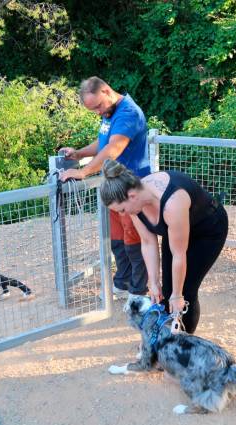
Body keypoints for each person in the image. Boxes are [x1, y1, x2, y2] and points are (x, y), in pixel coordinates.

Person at [99, 159, 229, 334]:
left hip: (208, 229)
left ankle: (182, 345)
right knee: (166, 292)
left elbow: (179, 254)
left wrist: (177, 295)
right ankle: (166, 340)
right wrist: (153, 282)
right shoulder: (135, 205)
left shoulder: (172, 202)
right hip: (175, 229)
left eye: (122, 210)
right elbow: (147, 242)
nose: (124, 214)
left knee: (185, 292)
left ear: (131, 196)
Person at [59, 77, 150, 299]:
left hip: (132, 187)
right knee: (118, 239)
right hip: (113, 185)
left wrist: (83, 171)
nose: (99, 112)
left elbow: (113, 148)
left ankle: (139, 290)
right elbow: (103, 143)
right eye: (94, 110)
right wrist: (79, 154)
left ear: (107, 91)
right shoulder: (110, 113)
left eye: (99, 106)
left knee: (134, 238)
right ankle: (123, 281)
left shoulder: (128, 112)